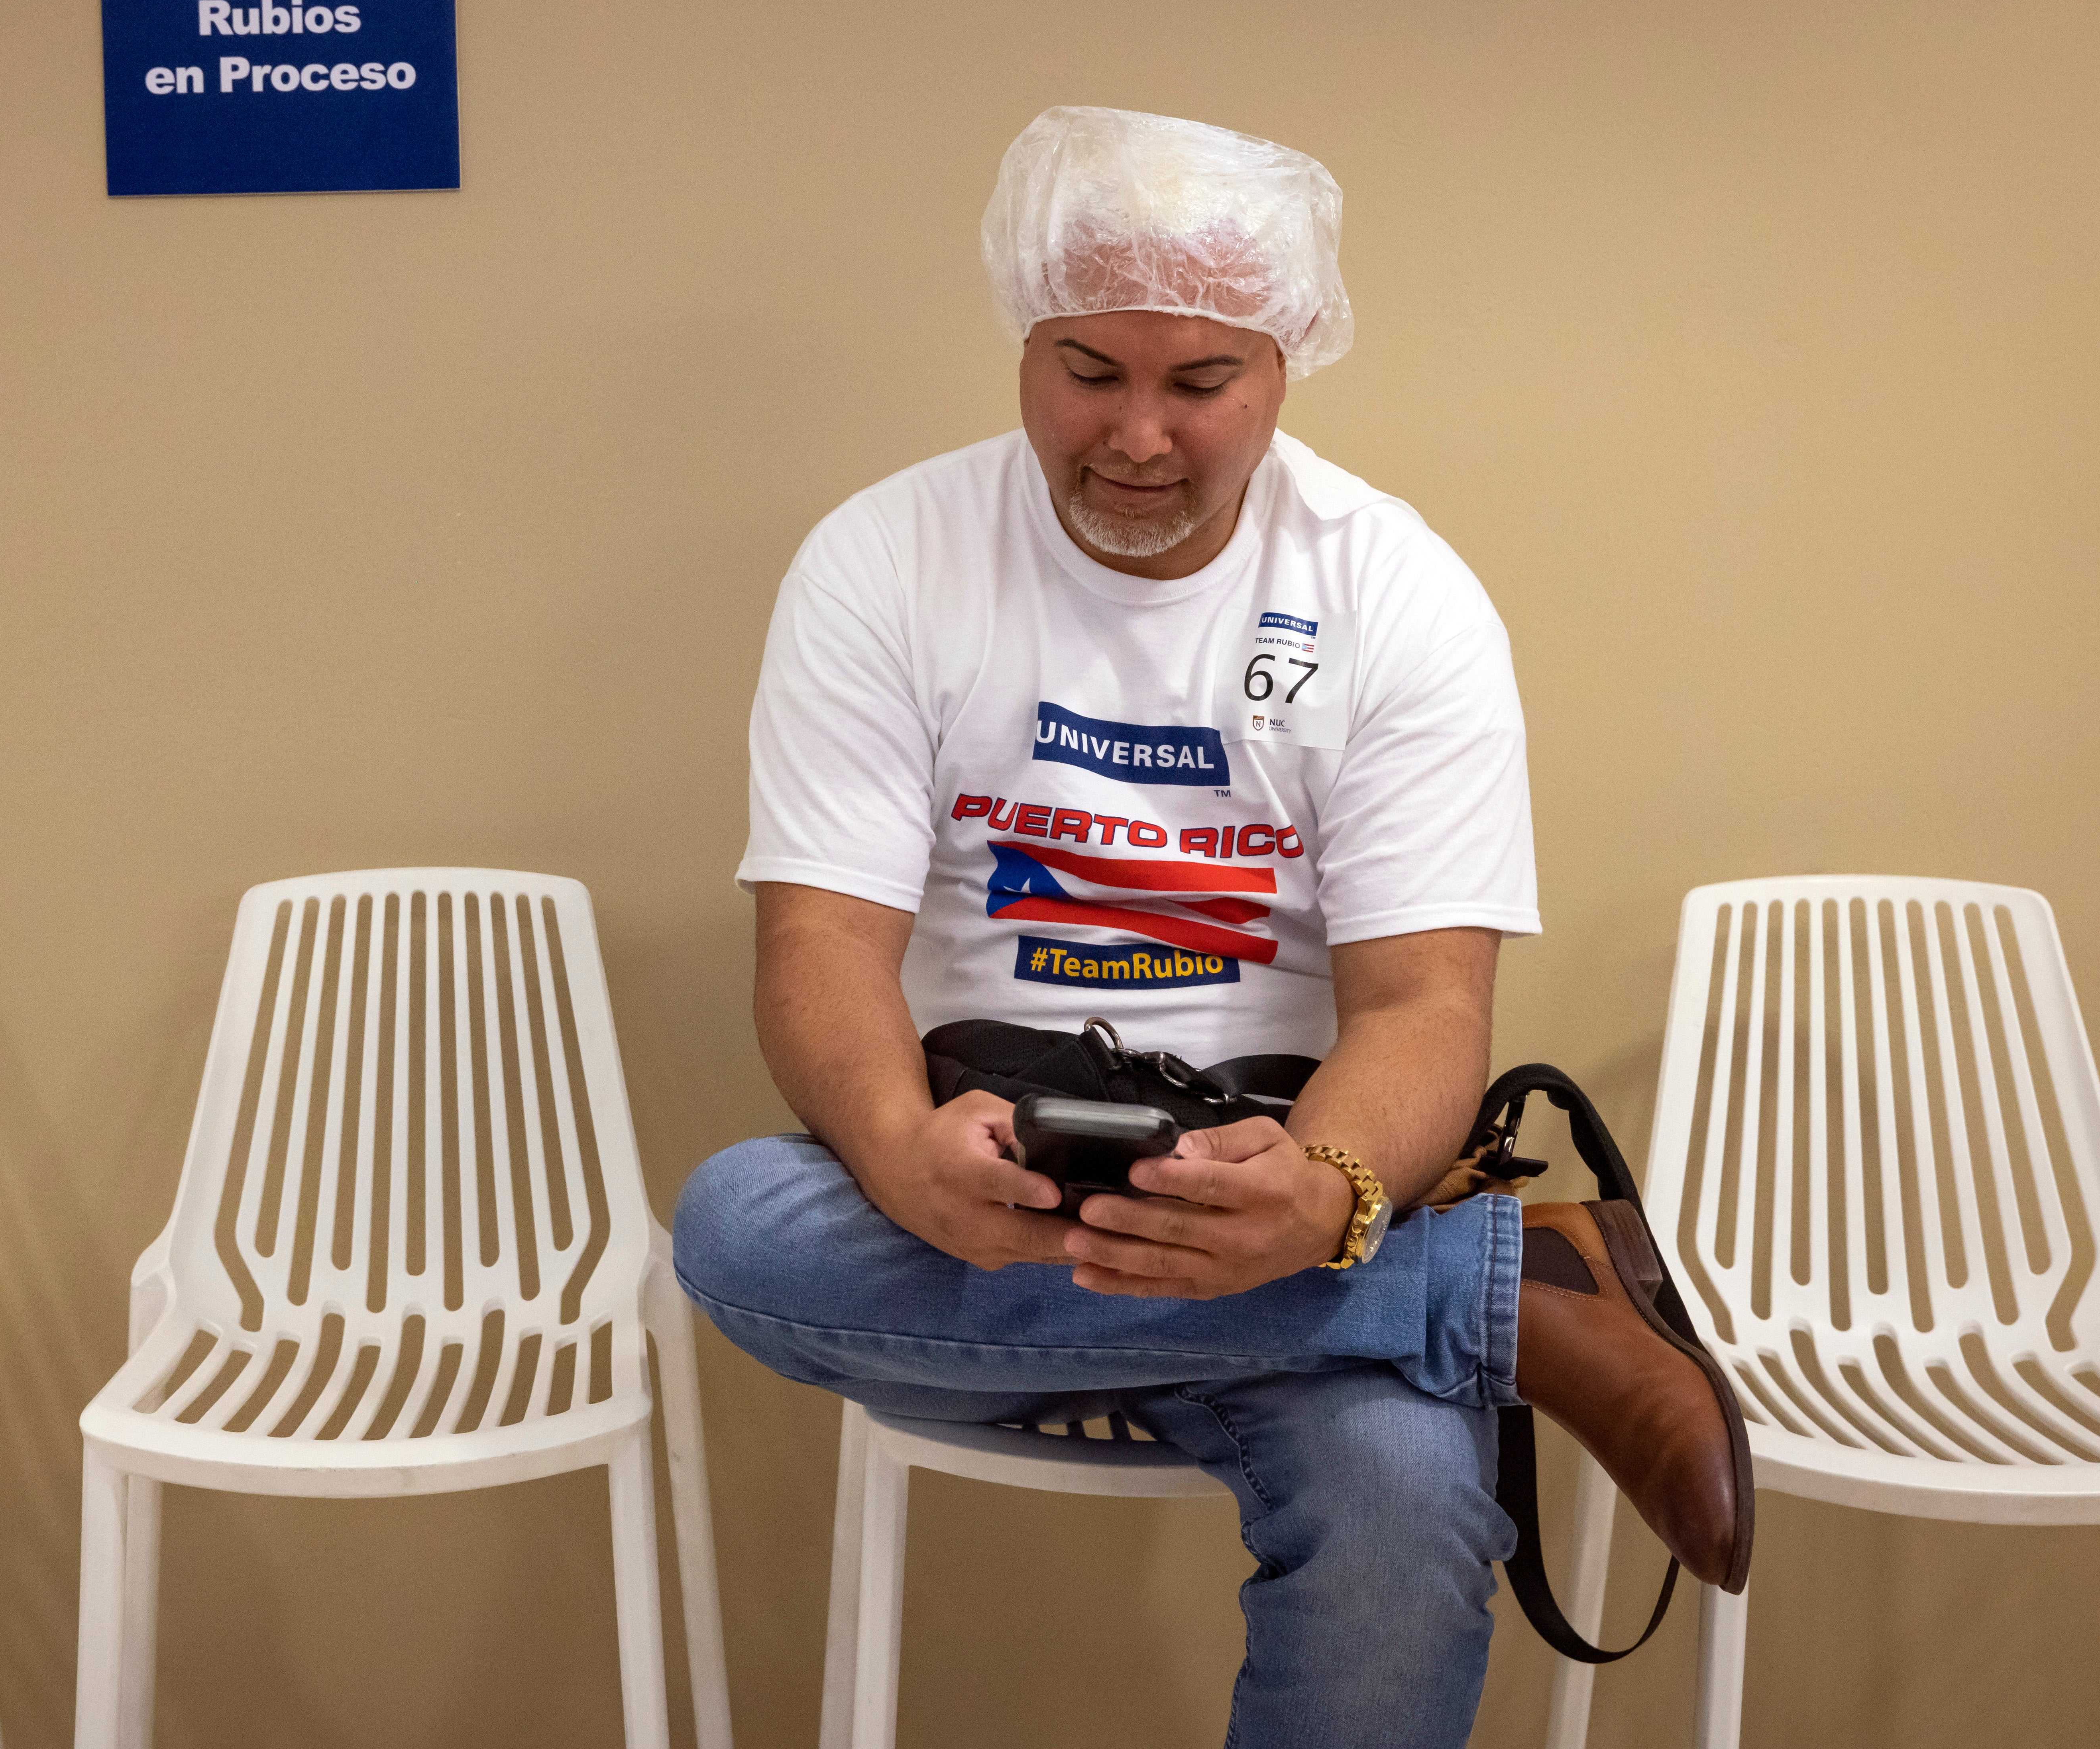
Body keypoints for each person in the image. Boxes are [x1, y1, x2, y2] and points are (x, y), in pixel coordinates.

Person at [671, 106, 1748, 1745]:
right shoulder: (887, 559)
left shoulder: (1396, 593)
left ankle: (1377, 1286)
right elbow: (820, 942)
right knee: (739, 1222)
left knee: (1405, 1508)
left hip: (1288, 1187)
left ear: (1284, 366)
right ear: (1025, 342)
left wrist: (1318, 1195)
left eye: (1200, 380)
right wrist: (896, 1152)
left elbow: (1422, 1008)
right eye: (1088, 369)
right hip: (977, 1208)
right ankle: (1494, 1293)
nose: (1137, 433)